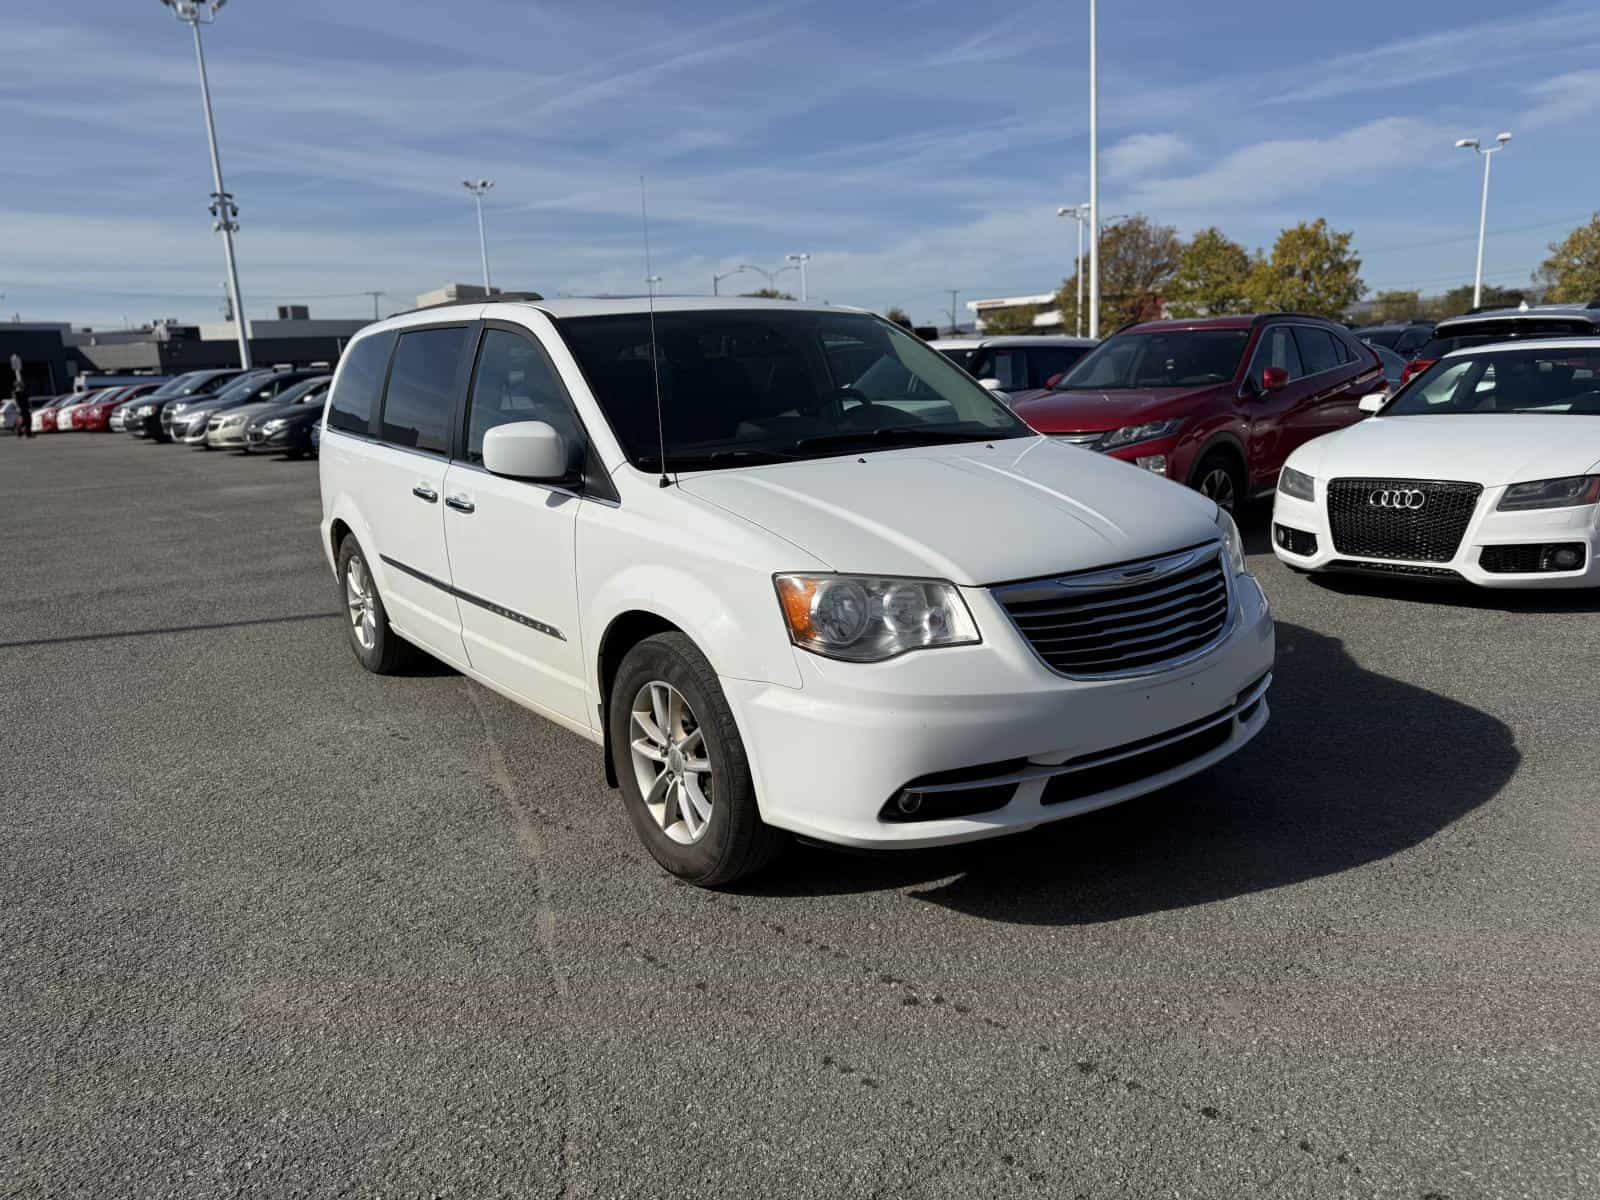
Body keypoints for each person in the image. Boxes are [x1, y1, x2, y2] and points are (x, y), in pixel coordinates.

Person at [10, 354, 33, 439]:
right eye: (20, 384)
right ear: (17, 386)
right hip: (21, 408)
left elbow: (27, 399)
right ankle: (19, 431)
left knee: (29, 420)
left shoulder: (24, 391)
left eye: (22, 384)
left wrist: (30, 406)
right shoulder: (15, 392)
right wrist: (18, 407)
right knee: (24, 420)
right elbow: (15, 401)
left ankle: (28, 434)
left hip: (26, 407)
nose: (22, 385)